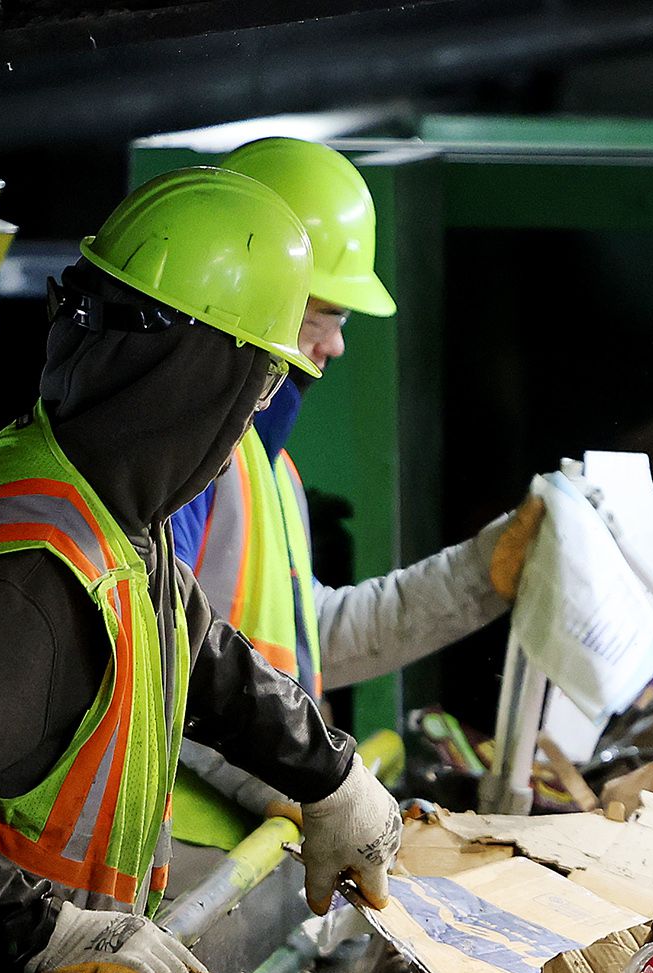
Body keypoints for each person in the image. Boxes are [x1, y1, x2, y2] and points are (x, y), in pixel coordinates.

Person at [0, 168, 403, 973]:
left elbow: (195, 647)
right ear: (205, 387)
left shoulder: (99, 509)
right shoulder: (34, 582)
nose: (253, 420)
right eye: (259, 387)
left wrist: (329, 775)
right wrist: (41, 929)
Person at [167, 136, 539, 823]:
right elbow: (161, 666)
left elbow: (305, 642)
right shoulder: (178, 465)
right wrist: (302, 783)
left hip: (232, 854)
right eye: (321, 315)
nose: (335, 344)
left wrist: (483, 573)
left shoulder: (266, 469)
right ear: (249, 298)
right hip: (170, 864)